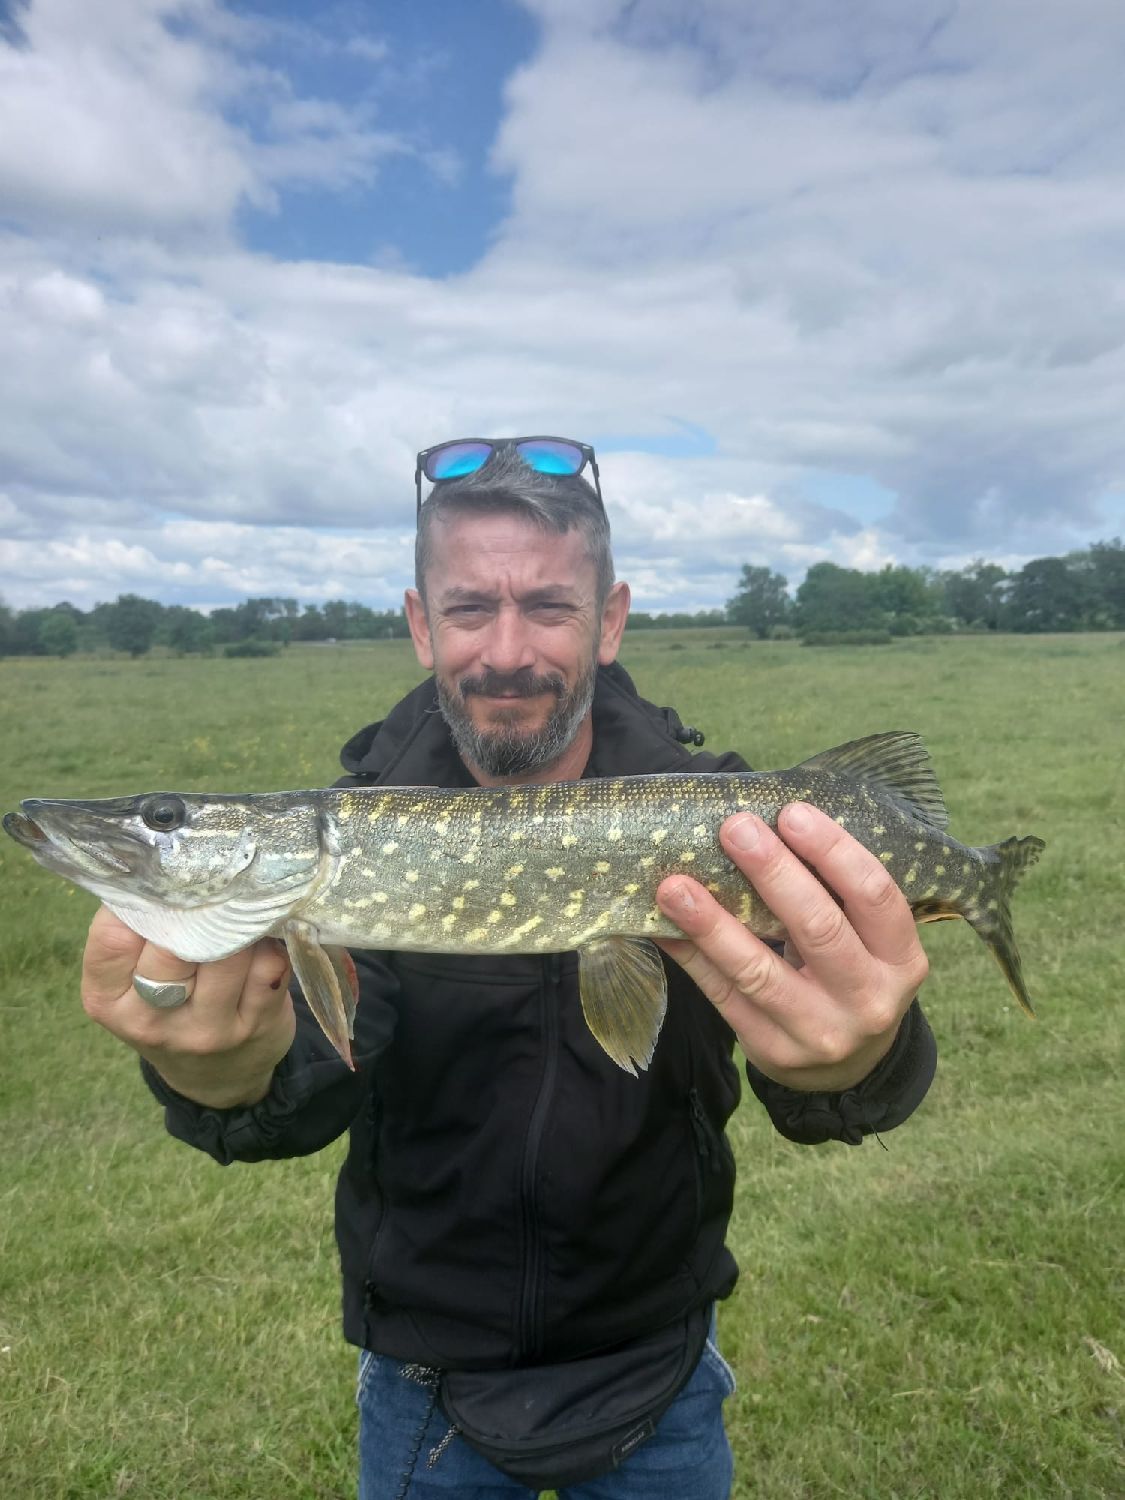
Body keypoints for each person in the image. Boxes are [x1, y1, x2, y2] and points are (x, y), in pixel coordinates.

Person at [80, 437, 936, 1499]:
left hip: (658, 1356)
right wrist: (220, 1078)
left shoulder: (726, 807)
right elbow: (305, 1085)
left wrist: (858, 1062)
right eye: (471, 608)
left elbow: (843, 1046)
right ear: (420, 623)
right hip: (425, 1372)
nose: (507, 650)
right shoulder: (356, 831)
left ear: (611, 620)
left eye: (549, 606)